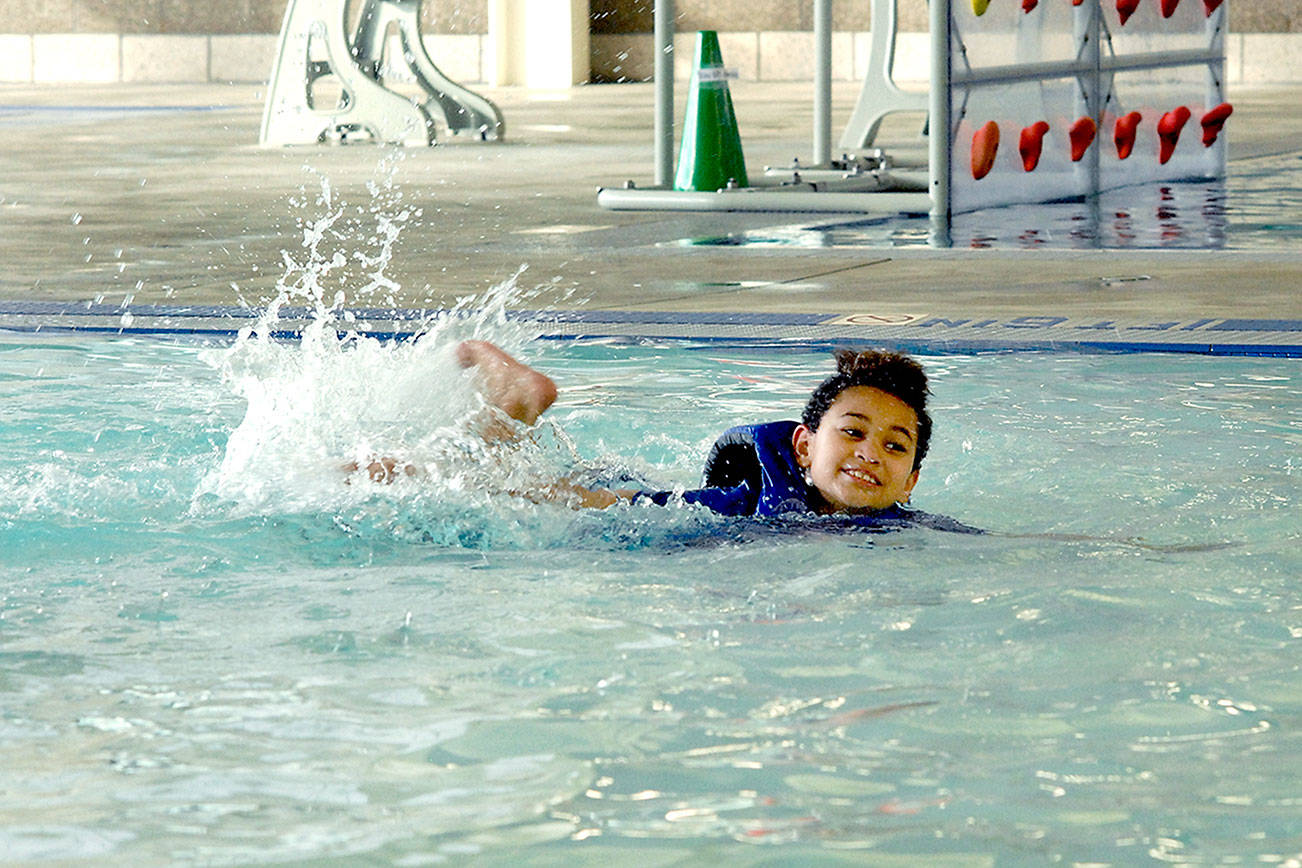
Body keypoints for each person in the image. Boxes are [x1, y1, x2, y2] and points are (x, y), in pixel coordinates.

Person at [424, 340, 977, 533]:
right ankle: (514, 402)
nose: (869, 453)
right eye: (853, 431)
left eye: (895, 446)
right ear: (805, 448)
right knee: (519, 484)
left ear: (911, 481)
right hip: (624, 490)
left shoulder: (913, 526)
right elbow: (596, 505)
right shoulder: (741, 504)